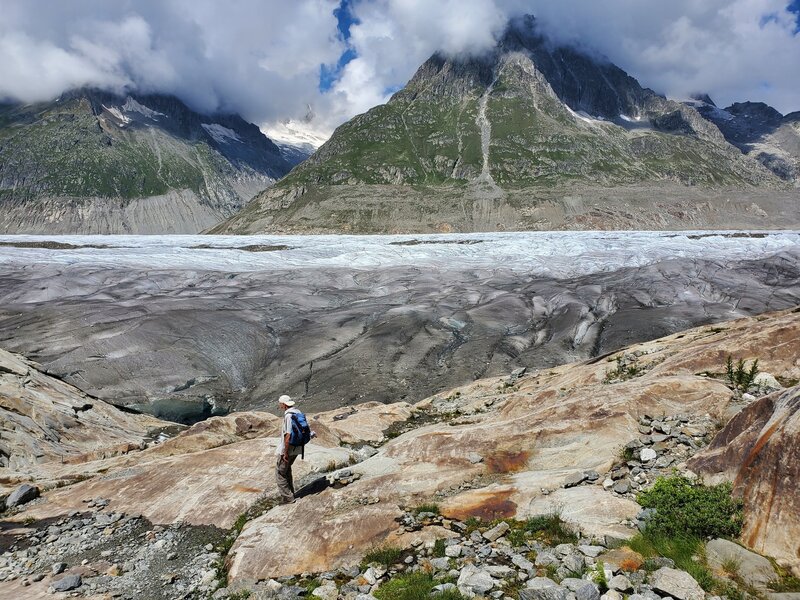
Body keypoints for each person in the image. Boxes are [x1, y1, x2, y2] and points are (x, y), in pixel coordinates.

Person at [275, 394, 303, 504]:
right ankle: (291, 493)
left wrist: (285, 452)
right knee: (287, 470)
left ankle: (288, 498)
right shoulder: (298, 412)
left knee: (280, 472)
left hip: (289, 447)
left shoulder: (288, 416)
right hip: (297, 446)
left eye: (280, 403)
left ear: (284, 404)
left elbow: (288, 436)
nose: (279, 405)